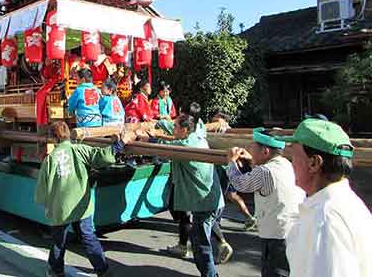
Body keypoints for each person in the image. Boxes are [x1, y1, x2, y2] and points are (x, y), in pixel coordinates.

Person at [35, 121, 133, 277]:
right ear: (68, 134)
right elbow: (103, 156)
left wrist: (47, 206)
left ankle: (56, 271)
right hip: (81, 205)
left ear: (53, 138)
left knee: (59, 241)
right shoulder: (80, 150)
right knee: (88, 237)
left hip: (61, 208)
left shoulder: (50, 160)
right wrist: (120, 143)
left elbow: (42, 190)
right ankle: (103, 270)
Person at [278, 118, 372, 277]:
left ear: (314, 163)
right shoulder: (346, 204)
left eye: (294, 157)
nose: (291, 164)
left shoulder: (325, 218)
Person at [226, 128, 305, 277]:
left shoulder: (265, 171)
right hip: (292, 230)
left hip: (277, 235)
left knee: (274, 272)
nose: (249, 149)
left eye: (253, 147)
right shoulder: (285, 164)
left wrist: (231, 162)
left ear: (265, 152)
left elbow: (240, 183)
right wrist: (251, 160)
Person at [157, 114, 224, 277]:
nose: (173, 129)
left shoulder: (185, 145)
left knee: (200, 248)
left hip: (204, 203)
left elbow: (163, 149)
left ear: (185, 130)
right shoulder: (198, 133)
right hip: (213, 199)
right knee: (201, 242)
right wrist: (160, 122)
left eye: (175, 127)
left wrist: (151, 137)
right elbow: (194, 125)